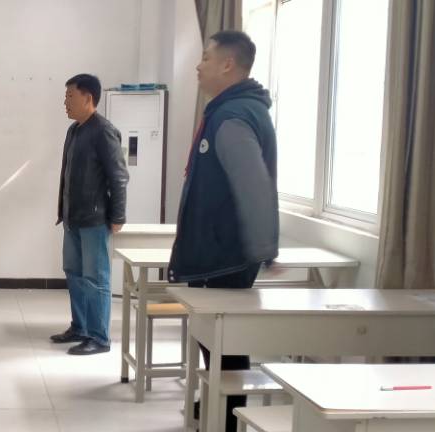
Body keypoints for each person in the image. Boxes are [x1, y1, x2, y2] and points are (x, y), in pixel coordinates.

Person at [168, 30, 278, 432]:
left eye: (206, 58)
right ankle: (217, 410)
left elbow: (253, 186)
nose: (198, 66)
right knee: (217, 343)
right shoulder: (233, 110)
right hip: (220, 252)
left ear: (228, 64)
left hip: (223, 256)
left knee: (224, 344)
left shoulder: (232, 117)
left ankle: (227, 419)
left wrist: (263, 247)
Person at [50, 73, 130, 356]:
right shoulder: (74, 131)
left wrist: (118, 216)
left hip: (95, 219)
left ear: (88, 98)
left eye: (70, 96)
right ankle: (81, 327)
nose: (65, 102)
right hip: (73, 217)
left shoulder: (104, 131)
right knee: (74, 273)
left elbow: (119, 176)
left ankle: (99, 337)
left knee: (96, 278)